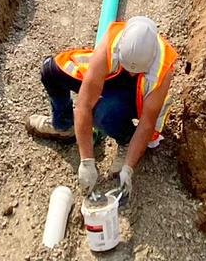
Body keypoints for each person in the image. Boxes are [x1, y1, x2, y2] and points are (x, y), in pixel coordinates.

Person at [27, 15, 179, 200]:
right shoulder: (112, 42)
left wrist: (129, 168)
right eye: (128, 67)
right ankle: (64, 126)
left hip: (137, 94)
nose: (131, 72)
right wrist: (86, 162)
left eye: (135, 70)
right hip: (111, 74)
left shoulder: (162, 69)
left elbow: (147, 123)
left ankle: (126, 139)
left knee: (103, 113)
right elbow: (83, 103)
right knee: (51, 71)